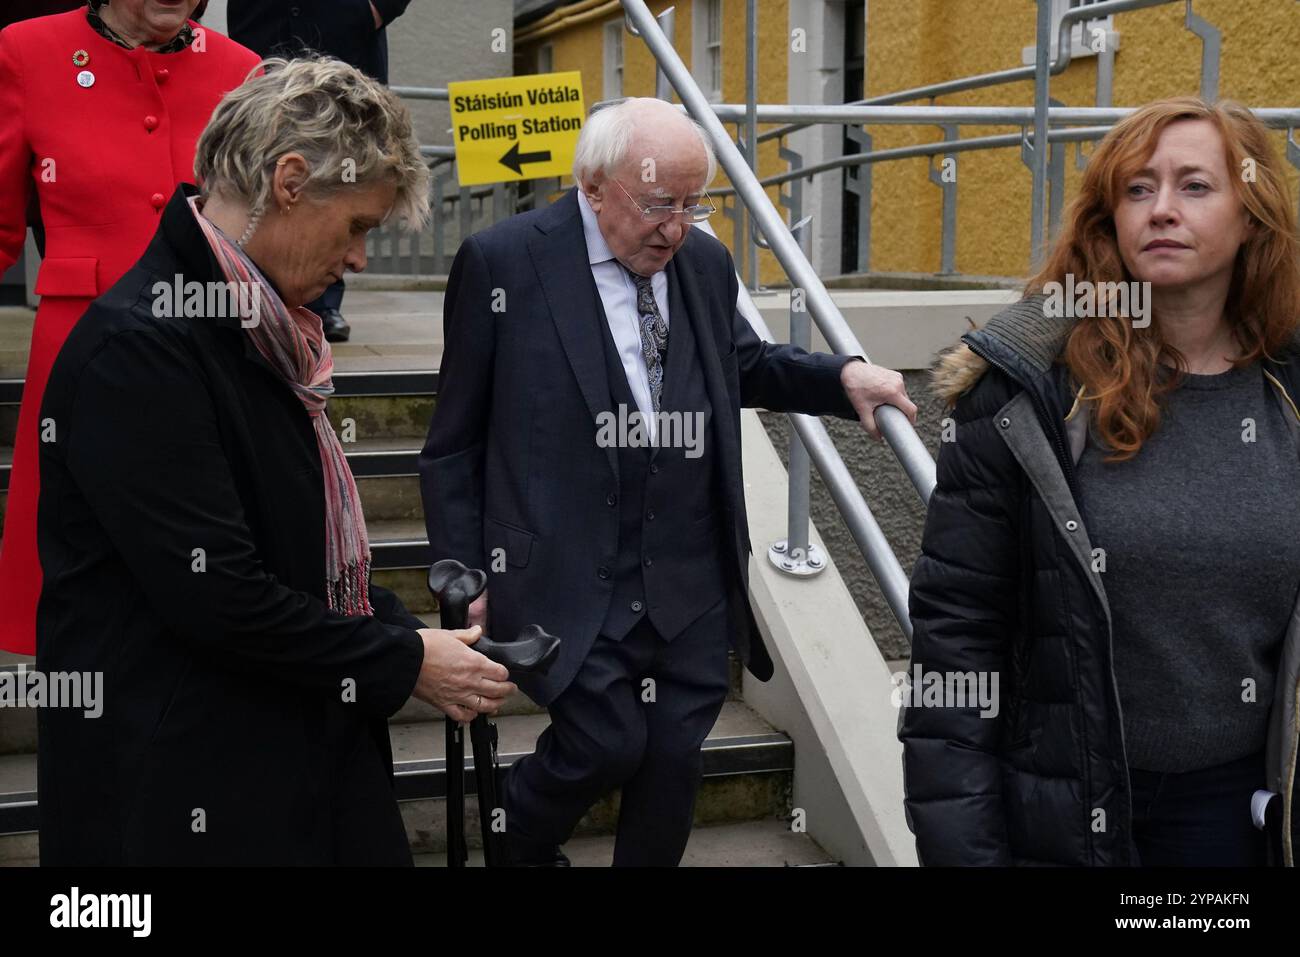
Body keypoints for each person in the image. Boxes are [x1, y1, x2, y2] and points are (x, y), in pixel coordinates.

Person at [36, 57, 515, 865]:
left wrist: (407, 637)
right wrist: (403, 658)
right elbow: (221, 597)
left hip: (281, 759)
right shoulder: (142, 348)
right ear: (289, 180)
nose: (361, 259)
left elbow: (291, 563)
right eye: (358, 225)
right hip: (188, 793)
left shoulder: (257, 329)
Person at [419, 96, 917, 867]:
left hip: (689, 575)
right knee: (607, 740)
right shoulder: (505, 261)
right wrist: (463, 568)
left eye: (693, 204)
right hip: (565, 570)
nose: (677, 226)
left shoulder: (704, 262)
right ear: (592, 185)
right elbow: (453, 440)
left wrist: (841, 377)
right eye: (659, 203)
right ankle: (517, 832)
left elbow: (739, 363)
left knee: (673, 760)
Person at [898, 96, 1300, 866]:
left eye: (1195, 186)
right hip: (1059, 804)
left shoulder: (1287, 390)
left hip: (1234, 814)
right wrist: (964, 849)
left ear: (1252, 216)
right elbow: (957, 641)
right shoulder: (1026, 393)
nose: (1161, 210)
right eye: (1138, 189)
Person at [0, 1, 259, 657]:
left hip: (209, 349)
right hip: (75, 355)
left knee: (207, 572)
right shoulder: (26, 52)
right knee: (79, 591)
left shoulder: (243, 70)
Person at [226, 0, 414, 343]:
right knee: (261, 166)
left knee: (344, 176)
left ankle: (324, 302)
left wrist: (371, 11)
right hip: (260, 34)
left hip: (343, 39)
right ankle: (258, 291)